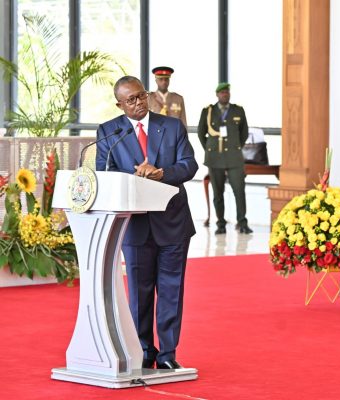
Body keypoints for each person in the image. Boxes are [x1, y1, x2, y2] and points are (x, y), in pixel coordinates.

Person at [95, 76, 198, 370]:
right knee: (139, 294)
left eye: (142, 96)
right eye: (131, 100)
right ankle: (143, 350)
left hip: (173, 222)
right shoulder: (109, 132)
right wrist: (134, 178)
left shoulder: (172, 126)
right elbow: (105, 173)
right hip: (135, 226)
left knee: (171, 289)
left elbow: (189, 165)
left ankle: (167, 354)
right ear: (120, 104)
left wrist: (161, 173)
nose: (139, 103)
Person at [197, 82, 253, 235]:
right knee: (218, 193)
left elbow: (244, 132)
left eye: (227, 92)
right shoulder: (208, 111)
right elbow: (201, 133)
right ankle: (220, 224)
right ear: (217, 95)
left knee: (239, 191)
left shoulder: (238, 110)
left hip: (234, 158)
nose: (225, 95)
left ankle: (242, 223)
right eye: (222, 93)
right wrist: (210, 148)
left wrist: (236, 147)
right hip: (214, 158)